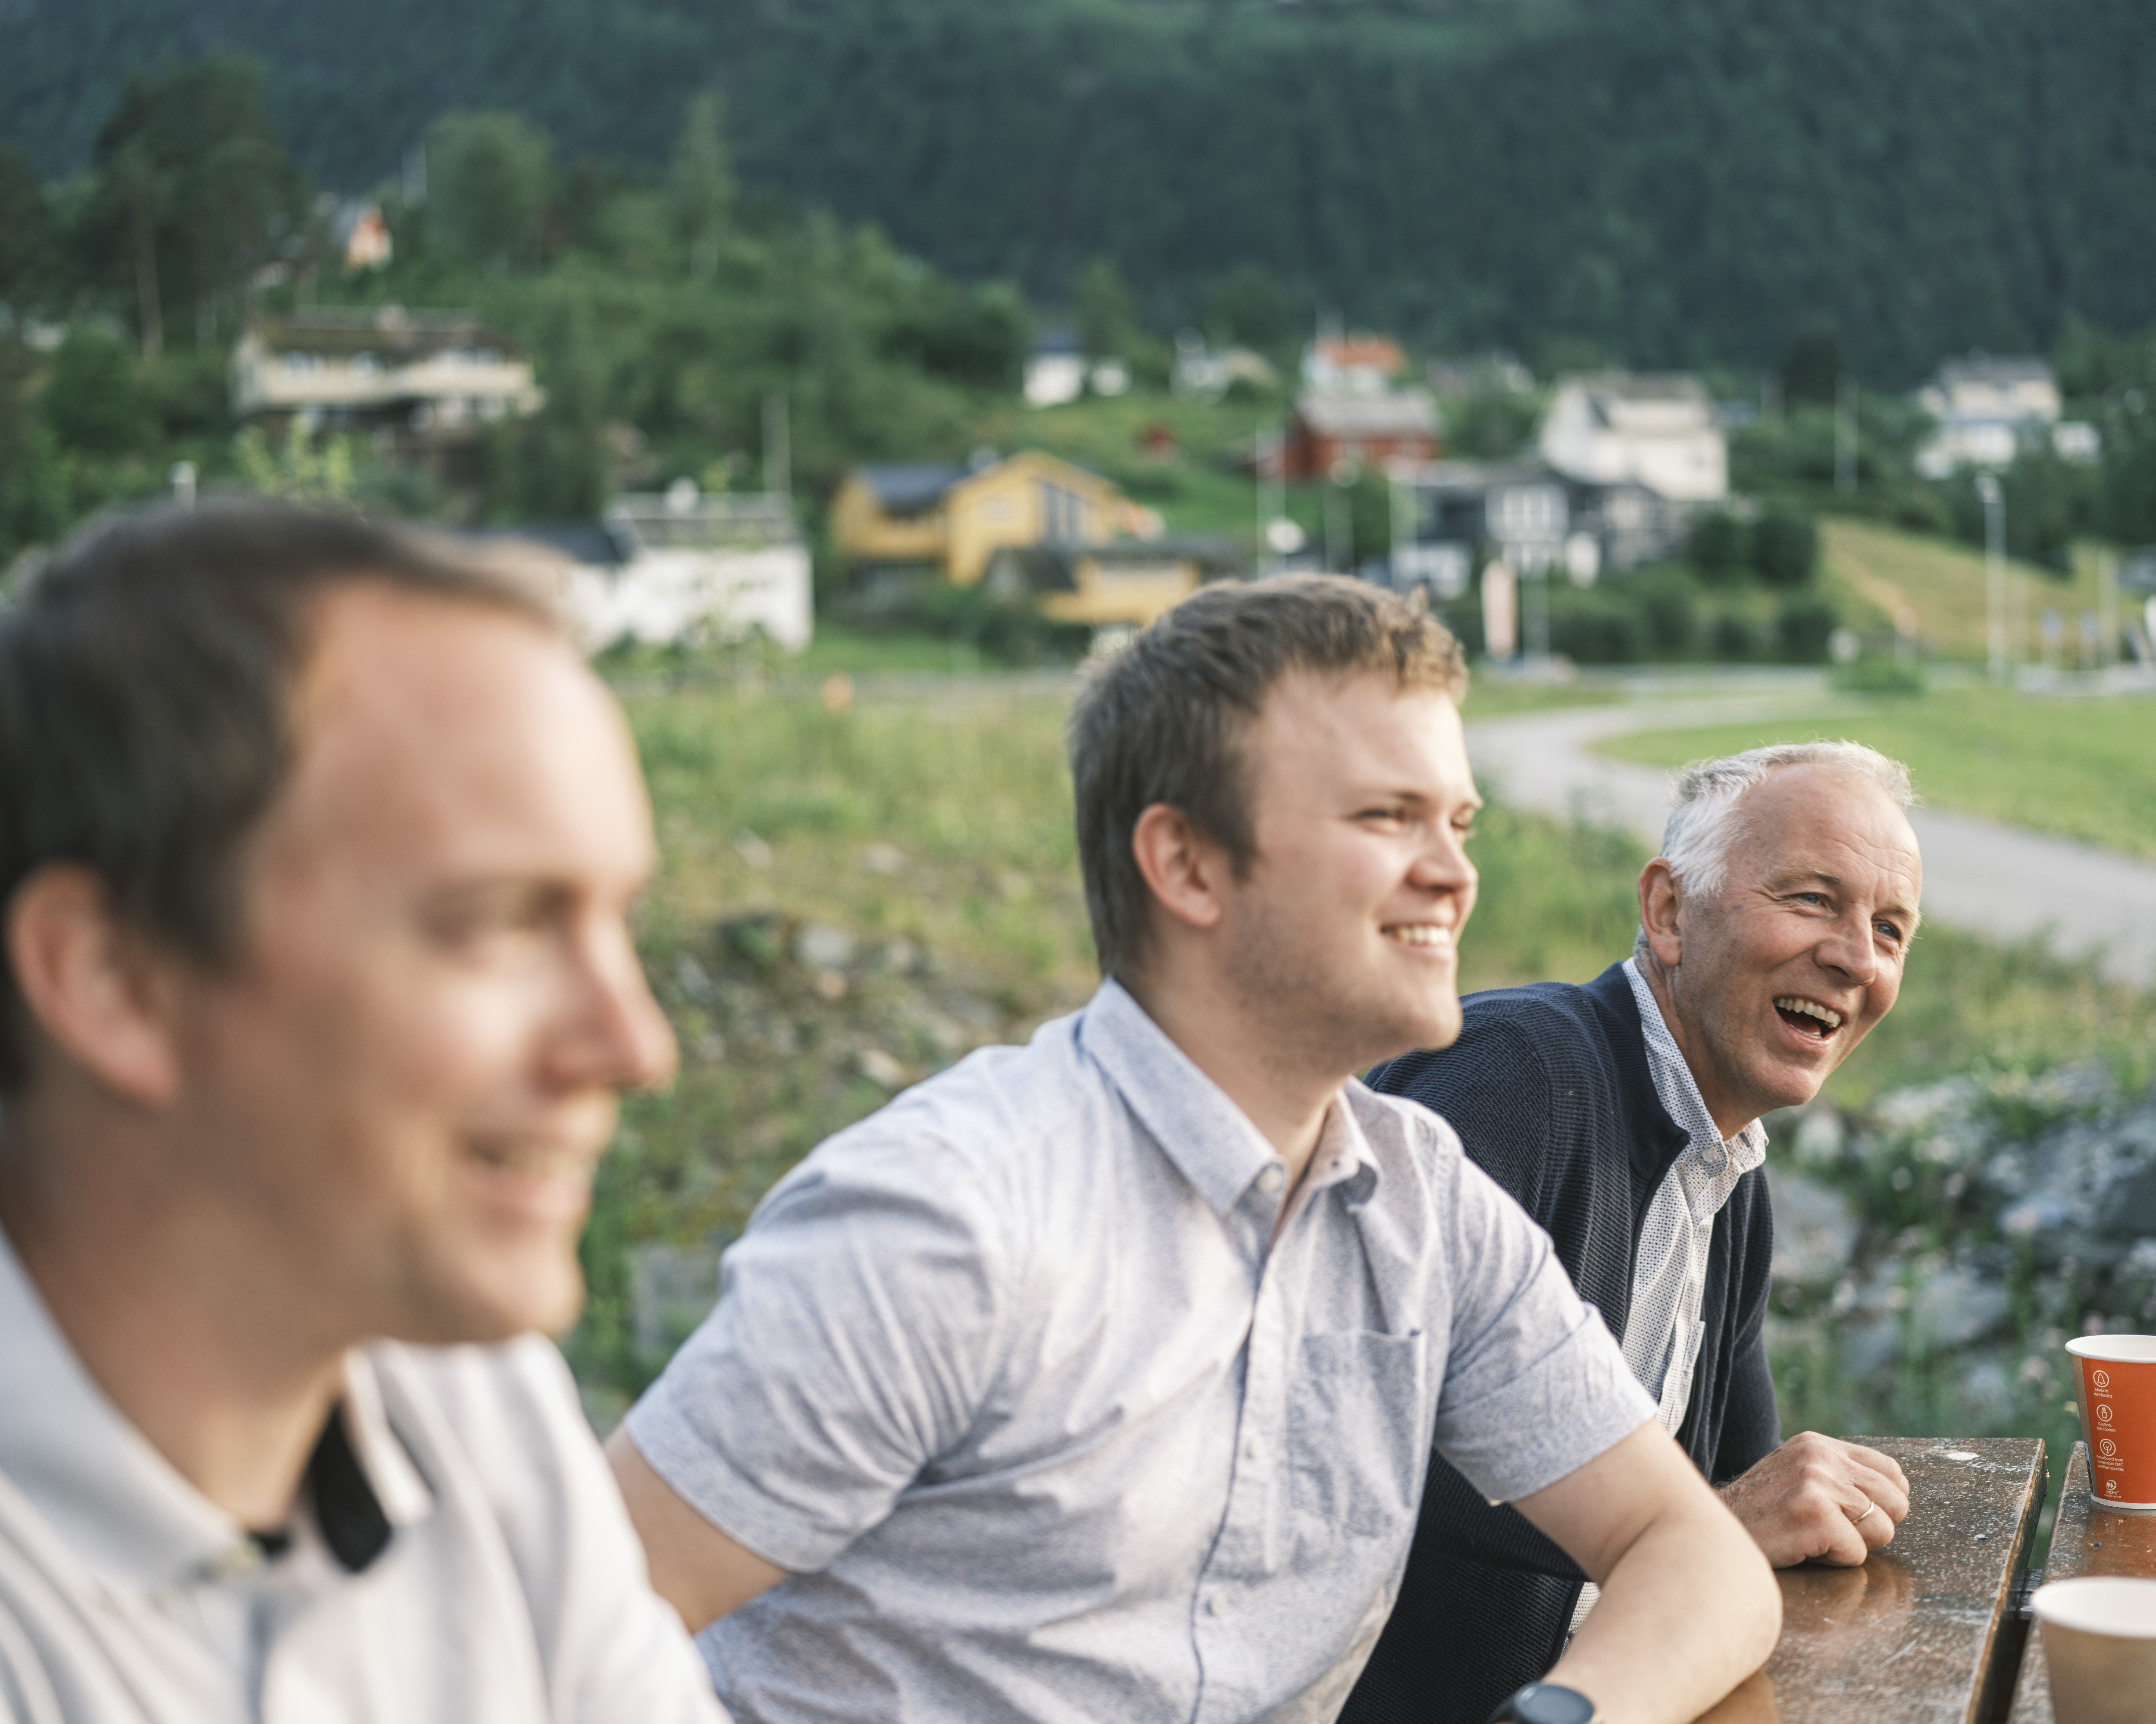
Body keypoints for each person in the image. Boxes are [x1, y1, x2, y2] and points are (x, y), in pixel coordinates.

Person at [607, 576, 1779, 1724]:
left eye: (1457, 821)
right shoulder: (948, 1217)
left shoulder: (1422, 1199)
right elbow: (562, 1628)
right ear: (1185, 863)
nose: (1455, 872)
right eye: (1387, 816)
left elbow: (1696, 1558)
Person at [0, 503, 729, 1724]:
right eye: (499, 920)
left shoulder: (473, 1397)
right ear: (113, 978)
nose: (634, 1045)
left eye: (620, 922)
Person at [1339, 740, 1925, 1724]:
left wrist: (1771, 1510)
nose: (1855, 957)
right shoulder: (1515, 1075)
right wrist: (1691, 1532)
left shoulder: (1732, 1179)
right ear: (1667, 912)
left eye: (1890, 929)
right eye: (1811, 899)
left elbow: (1750, 1497)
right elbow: (1347, 1444)